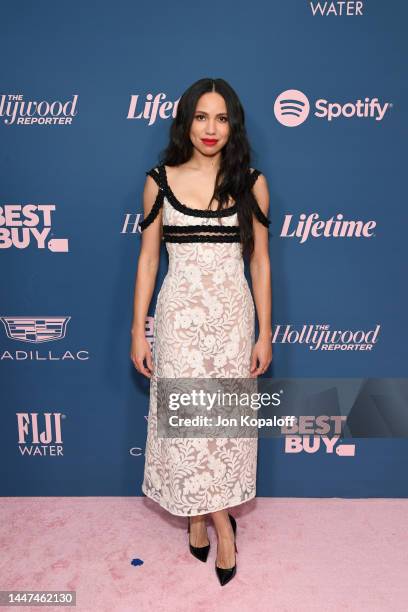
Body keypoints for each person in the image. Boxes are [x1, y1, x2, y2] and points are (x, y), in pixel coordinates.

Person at [130, 77, 272, 586]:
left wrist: (264, 332)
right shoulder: (158, 179)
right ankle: (219, 525)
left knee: (220, 429)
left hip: (232, 323)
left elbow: (260, 265)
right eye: (201, 117)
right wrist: (137, 329)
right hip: (179, 322)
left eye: (221, 118)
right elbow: (148, 260)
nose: (210, 129)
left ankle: (200, 516)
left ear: (233, 125)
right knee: (187, 428)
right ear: (185, 121)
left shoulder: (251, 182)